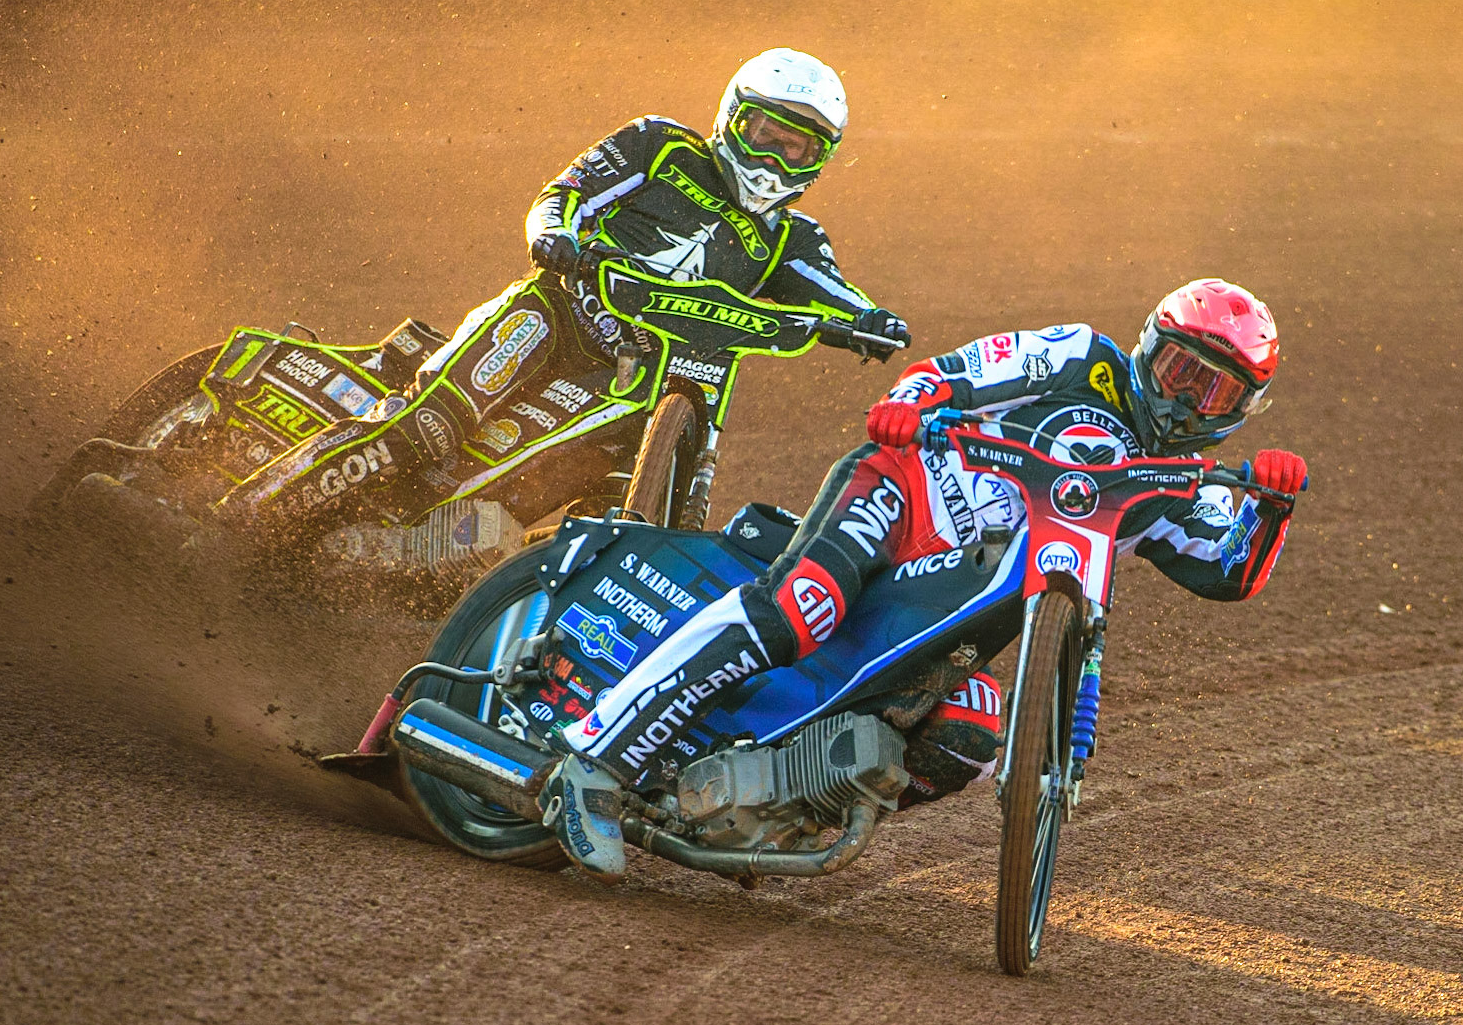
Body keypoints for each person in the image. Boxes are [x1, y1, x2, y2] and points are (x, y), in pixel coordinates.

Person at [539, 278, 1309, 882]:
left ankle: (784, 807)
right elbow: (961, 371)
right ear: (1149, 347)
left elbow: (1232, 570)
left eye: (1214, 392)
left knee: (971, 730)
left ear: (1245, 408)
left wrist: (1270, 507)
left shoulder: (1188, 484)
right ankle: (592, 761)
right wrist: (911, 403)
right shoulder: (1083, 356)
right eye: (1180, 370)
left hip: (956, 601)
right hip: (905, 491)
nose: (1184, 399)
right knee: (799, 609)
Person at [238, 48, 908, 524]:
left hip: (641, 378)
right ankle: (237, 519)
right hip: (553, 316)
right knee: (426, 431)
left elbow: (831, 291)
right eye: (766, 134)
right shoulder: (661, 145)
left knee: (577, 507)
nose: (774, 159)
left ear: (822, 158)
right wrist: (552, 234)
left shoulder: (795, 238)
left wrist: (871, 318)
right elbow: (564, 194)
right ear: (734, 117)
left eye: (798, 149)